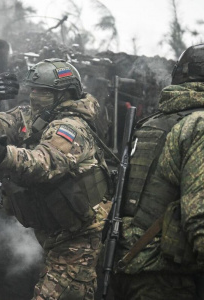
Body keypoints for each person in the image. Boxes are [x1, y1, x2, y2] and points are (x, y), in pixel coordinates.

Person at [0, 58, 111, 300]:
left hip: (78, 238)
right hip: (52, 232)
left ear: (65, 94)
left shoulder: (72, 126)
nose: (35, 95)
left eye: (44, 91)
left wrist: (5, 155)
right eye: (33, 89)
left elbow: (46, 162)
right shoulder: (32, 116)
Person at [110, 43, 204, 300]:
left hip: (125, 266)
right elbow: (200, 214)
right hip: (167, 278)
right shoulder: (199, 126)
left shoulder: (151, 123)